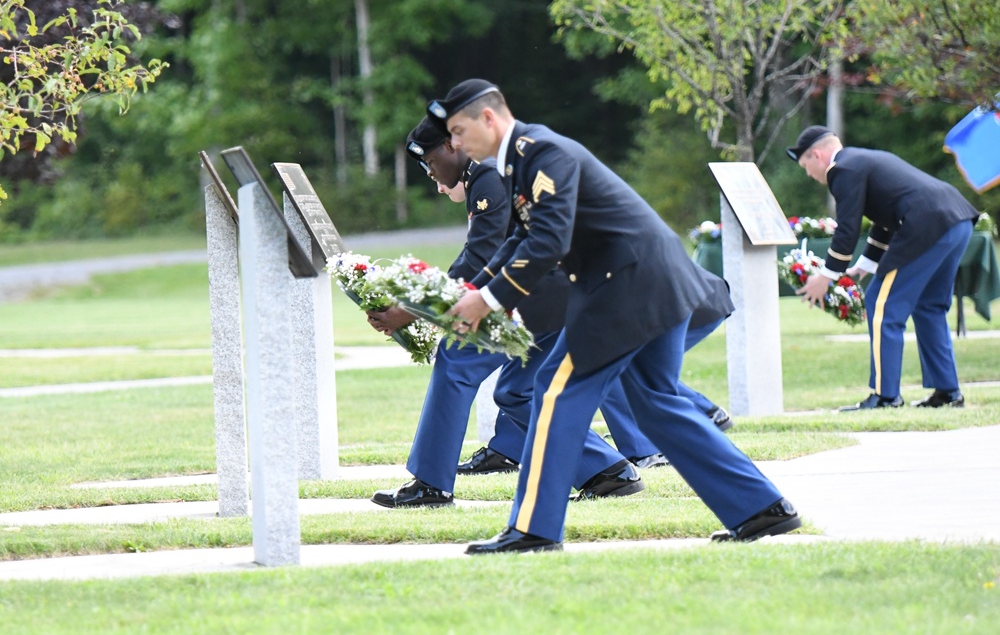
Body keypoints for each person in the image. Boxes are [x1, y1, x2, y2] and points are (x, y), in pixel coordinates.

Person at [429, 79, 799, 553]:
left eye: (458, 131)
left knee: (554, 392)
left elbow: (549, 242)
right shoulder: (522, 162)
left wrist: (489, 300)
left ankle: (533, 529)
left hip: (624, 285)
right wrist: (478, 290)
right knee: (657, 404)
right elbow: (521, 242)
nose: (455, 145)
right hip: (649, 281)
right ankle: (762, 509)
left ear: (489, 118)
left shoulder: (540, 152)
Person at [368, 116, 650, 508]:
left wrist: (414, 309)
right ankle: (608, 472)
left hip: (542, 293)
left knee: (455, 360)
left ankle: (430, 484)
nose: (429, 173)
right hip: (560, 294)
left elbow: (479, 259)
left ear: (452, 146)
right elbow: (489, 255)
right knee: (517, 392)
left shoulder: (484, 175)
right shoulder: (488, 173)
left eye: (429, 161)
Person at [787, 125, 979, 411]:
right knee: (928, 307)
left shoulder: (842, 169)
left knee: (881, 305)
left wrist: (826, 276)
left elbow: (847, 230)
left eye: (806, 166)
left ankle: (885, 396)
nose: (809, 174)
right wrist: (863, 266)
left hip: (928, 224)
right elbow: (885, 219)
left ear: (817, 155)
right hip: (957, 220)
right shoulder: (861, 160)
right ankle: (948, 392)